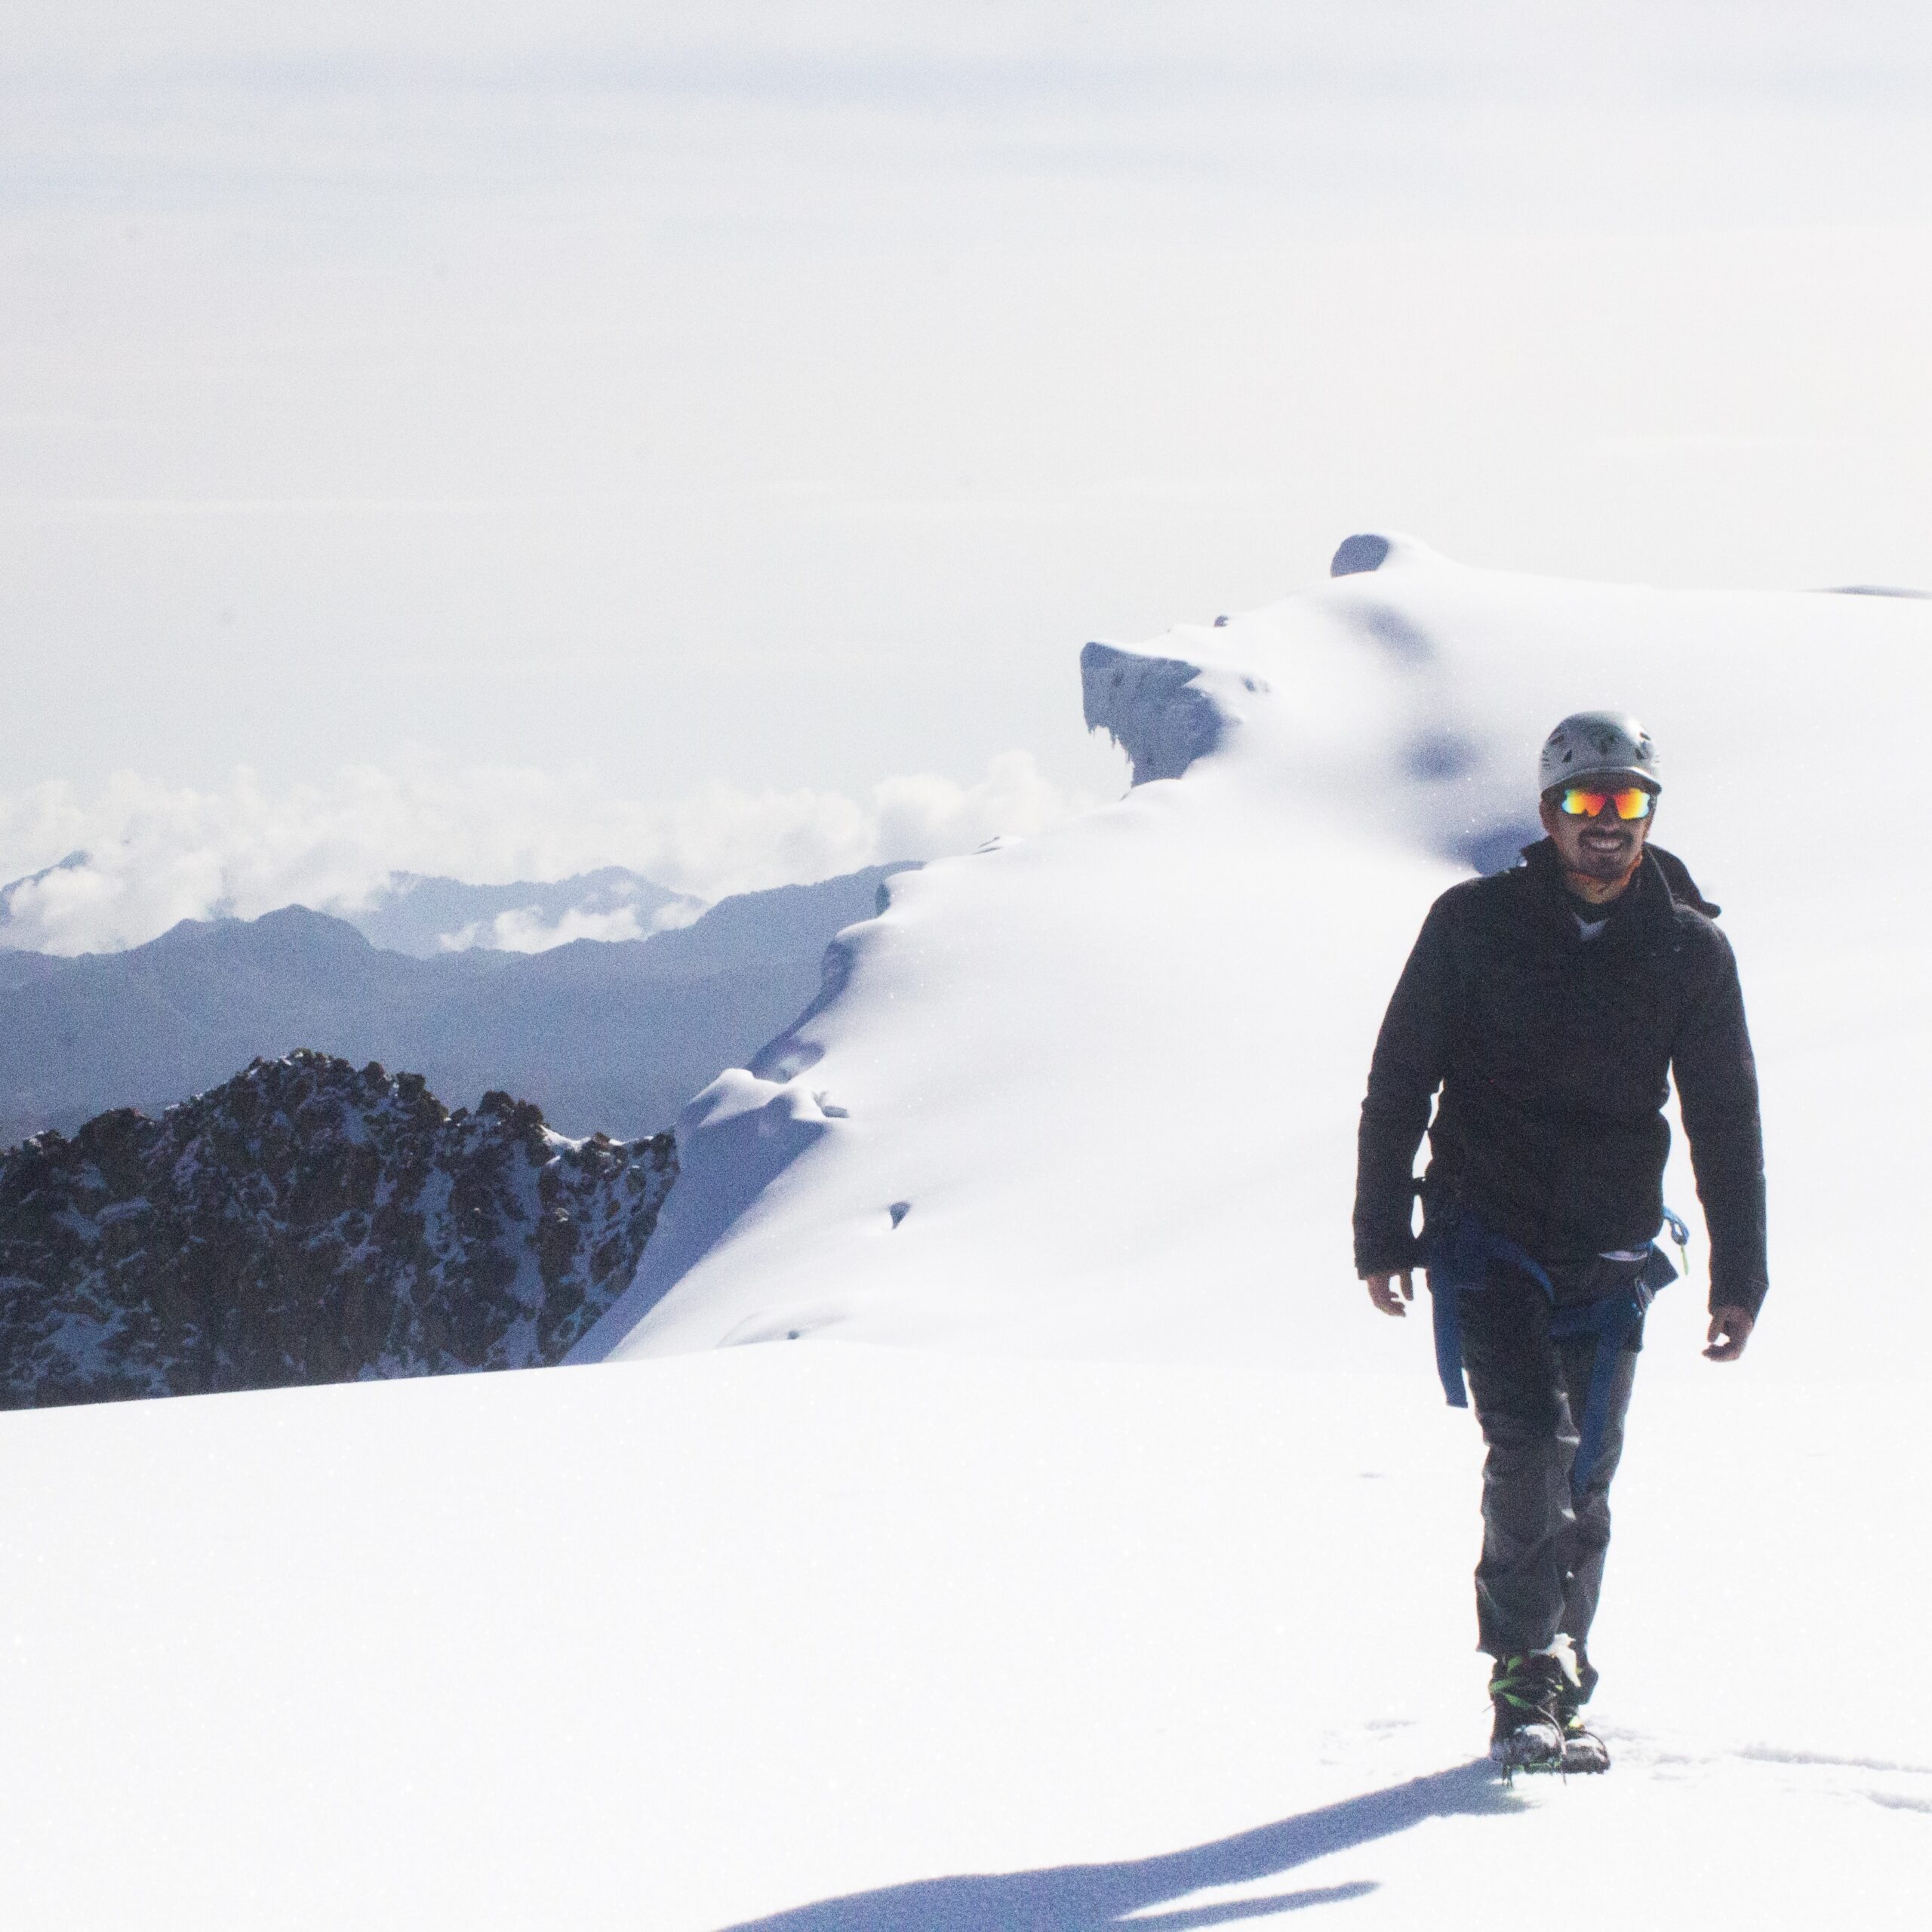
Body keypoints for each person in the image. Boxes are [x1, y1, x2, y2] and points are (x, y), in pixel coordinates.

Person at [1352, 711, 1767, 1773]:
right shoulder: (1473, 924)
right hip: (1485, 1229)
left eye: (1627, 803)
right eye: (1586, 803)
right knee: (1532, 1443)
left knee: (1587, 1472)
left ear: (1649, 815)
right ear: (1549, 814)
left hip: (1612, 1246)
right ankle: (1524, 1673)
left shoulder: (1688, 948)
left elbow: (1723, 1116)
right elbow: (1401, 1080)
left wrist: (1740, 1275)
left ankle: (1563, 1657)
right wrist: (1380, 1232)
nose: (1608, 825)